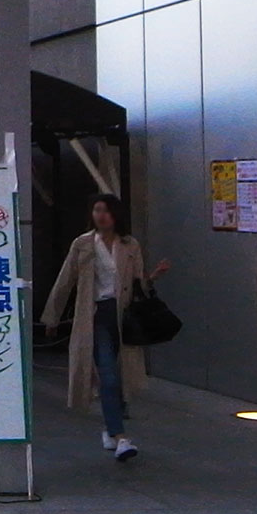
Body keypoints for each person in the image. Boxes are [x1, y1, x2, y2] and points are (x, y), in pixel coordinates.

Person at [41, 193, 170, 462]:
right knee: (108, 377)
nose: (101, 215)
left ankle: (111, 430)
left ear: (116, 215)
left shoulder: (129, 244)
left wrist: (154, 277)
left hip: (123, 317)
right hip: (96, 315)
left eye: (106, 211)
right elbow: (65, 281)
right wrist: (52, 318)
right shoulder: (83, 244)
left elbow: (137, 284)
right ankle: (120, 436)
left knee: (121, 378)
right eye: (97, 210)